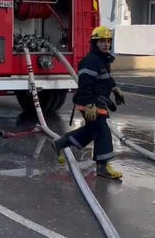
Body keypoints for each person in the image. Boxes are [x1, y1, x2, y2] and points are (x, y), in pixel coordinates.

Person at [51, 26, 125, 179]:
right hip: (90, 102)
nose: (106, 44)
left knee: (92, 131)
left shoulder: (103, 59)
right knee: (102, 131)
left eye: (108, 41)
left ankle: (60, 143)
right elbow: (85, 85)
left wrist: (115, 89)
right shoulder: (90, 61)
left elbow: (107, 79)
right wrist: (91, 104)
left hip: (97, 101)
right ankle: (103, 166)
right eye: (102, 41)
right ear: (94, 43)